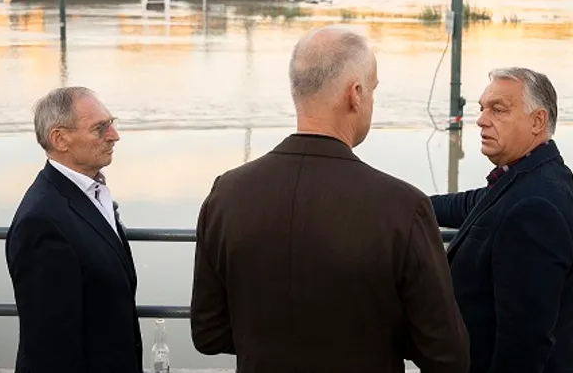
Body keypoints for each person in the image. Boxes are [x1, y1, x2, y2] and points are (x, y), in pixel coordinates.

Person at [190, 25, 469, 373]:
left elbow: (208, 333)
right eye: (373, 90)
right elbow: (447, 356)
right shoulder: (402, 207)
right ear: (356, 94)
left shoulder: (226, 195)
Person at [430, 68, 573, 373]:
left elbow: (523, 347)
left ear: (537, 121)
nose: (481, 120)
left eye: (498, 110)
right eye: (482, 108)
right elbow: (473, 203)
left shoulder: (536, 207)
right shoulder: (531, 177)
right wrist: (403, 204)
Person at [6, 86, 142, 373]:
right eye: (100, 128)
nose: (114, 135)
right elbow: (50, 347)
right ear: (60, 139)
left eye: (111, 123)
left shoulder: (89, 193)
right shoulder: (41, 222)